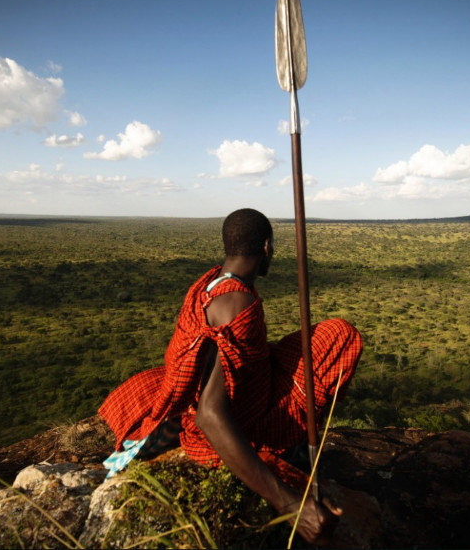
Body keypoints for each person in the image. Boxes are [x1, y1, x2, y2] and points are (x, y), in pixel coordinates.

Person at [98, 208, 363, 544]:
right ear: (266, 247)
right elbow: (211, 414)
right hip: (226, 429)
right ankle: (281, 444)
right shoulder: (237, 307)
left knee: (317, 339)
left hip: (238, 393)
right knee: (340, 337)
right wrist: (291, 503)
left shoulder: (211, 283)